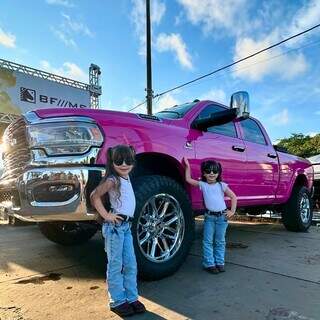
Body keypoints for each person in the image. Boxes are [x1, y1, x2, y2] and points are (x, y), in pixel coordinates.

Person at [91, 144, 146, 317]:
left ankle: (131, 297)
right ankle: (117, 301)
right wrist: (107, 215)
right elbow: (95, 195)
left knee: (130, 263)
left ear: (133, 161)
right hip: (115, 228)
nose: (124, 164)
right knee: (116, 265)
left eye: (128, 160)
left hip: (126, 228)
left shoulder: (127, 177)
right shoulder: (112, 179)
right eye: (118, 161)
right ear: (111, 162)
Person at [184, 157, 237, 274]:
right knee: (207, 241)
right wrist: (187, 166)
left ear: (218, 173)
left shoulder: (222, 185)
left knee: (220, 241)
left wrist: (232, 211)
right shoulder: (203, 185)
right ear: (204, 173)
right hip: (209, 218)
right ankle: (209, 263)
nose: (211, 173)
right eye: (208, 171)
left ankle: (220, 262)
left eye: (214, 171)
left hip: (222, 217)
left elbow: (233, 197)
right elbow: (188, 179)